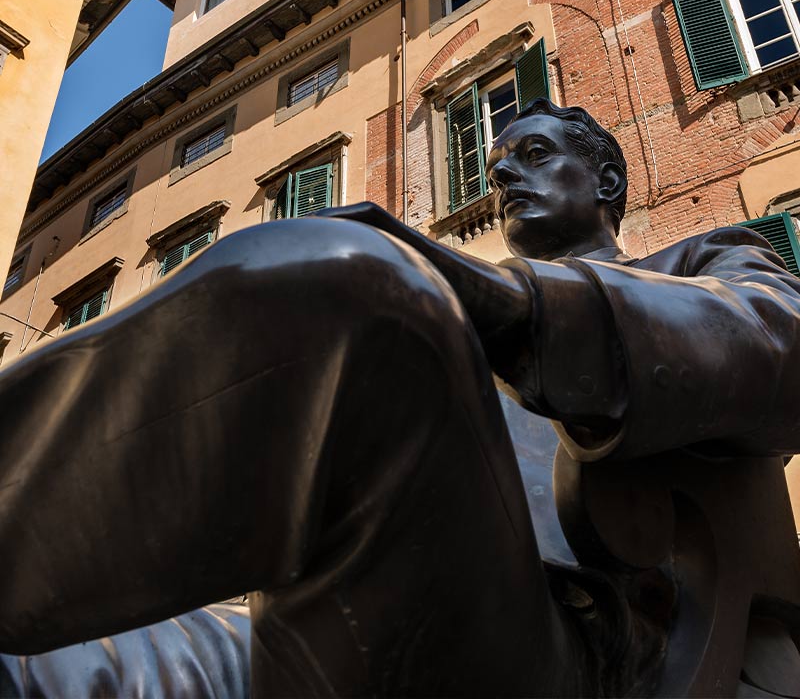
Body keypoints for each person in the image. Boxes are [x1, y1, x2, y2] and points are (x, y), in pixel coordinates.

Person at [0, 99, 799, 697]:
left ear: (608, 178)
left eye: (533, 153)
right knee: (44, 661)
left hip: (572, 646)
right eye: (496, 167)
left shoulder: (698, 261)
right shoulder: (458, 337)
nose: (503, 176)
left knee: (351, 278)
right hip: (331, 627)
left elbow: (783, 338)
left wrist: (519, 306)